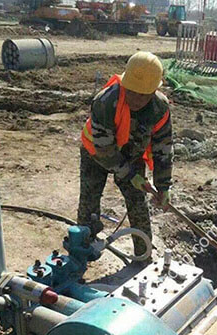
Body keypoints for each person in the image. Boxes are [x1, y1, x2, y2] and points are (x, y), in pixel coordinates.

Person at [79, 51, 173, 258]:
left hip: (131, 155)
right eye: (132, 92)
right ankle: (83, 251)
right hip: (95, 153)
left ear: (153, 91)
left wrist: (164, 186)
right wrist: (130, 175)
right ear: (125, 84)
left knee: (138, 203)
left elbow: (163, 149)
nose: (137, 99)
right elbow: (104, 149)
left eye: (143, 94)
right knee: (89, 201)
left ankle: (144, 255)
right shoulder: (106, 101)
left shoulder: (159, 108)